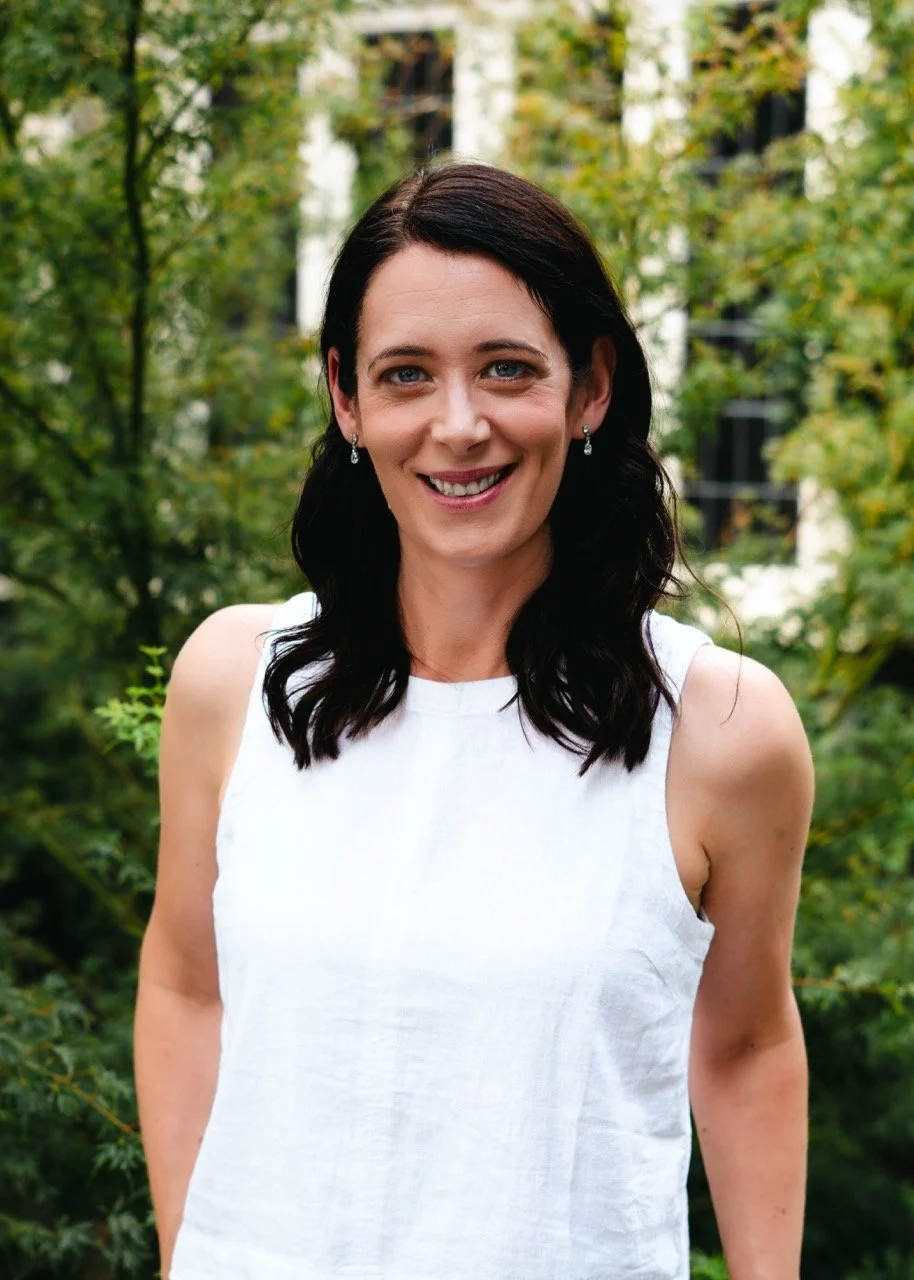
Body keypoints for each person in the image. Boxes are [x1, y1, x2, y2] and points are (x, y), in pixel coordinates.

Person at [134, 162, 813, 1280]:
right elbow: (183, 984)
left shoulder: (721, 728)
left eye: (507, 368)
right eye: (406, 374)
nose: (459, 425)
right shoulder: (233, 681)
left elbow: (744, 1051)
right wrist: (190, 1253)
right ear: (347, 399)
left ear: (590, 387)